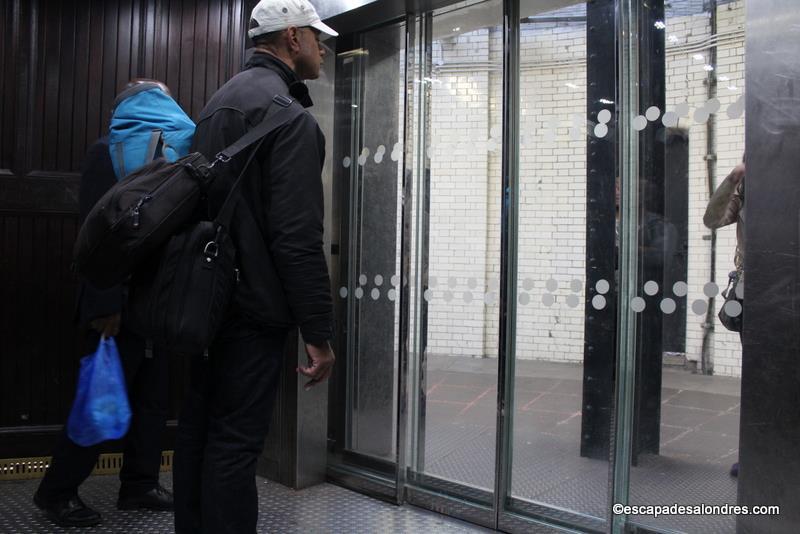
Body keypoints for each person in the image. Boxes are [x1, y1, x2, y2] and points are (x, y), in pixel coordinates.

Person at [173, 1, 338, 532]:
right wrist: (318, 332)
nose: (324, 47)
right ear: (293, 38)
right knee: (235, 446)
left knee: (197, 434)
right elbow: (296, 238)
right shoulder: (289, 118)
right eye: (318, 37)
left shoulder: (218, 103)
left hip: (205, 301)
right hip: (252, 311)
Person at [33, 79, 180, 528]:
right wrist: (104, 306)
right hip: (116, 300)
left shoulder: (168, 156)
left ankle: (139, 484)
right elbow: (96, 234)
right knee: (100, 399)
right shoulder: (107, 152)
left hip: (154, 301)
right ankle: (57, 492)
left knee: (153, 400)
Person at [703, 154, 745, 477]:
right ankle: (757, 451)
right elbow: (712, 219)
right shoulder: (745, 192)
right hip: (757, 292)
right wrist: (733, 178)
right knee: (759, 376)